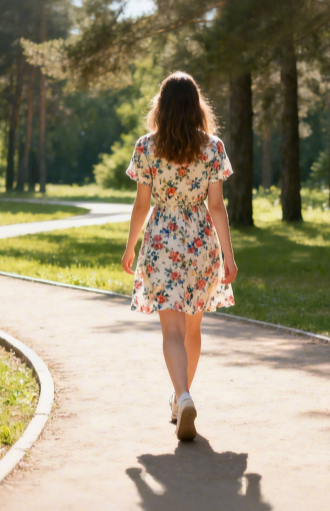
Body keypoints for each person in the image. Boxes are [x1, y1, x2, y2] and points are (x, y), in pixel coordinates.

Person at [119, 71, 239, 442]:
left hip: (161, 242)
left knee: (170, 330)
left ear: (162, 106)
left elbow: (142, 205)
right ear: (196, 106)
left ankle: (182, 396)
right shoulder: (213, 147)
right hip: (201, 243)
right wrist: (228, 256)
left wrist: (131, 245)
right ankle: (181, 397)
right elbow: (217, 206)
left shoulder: (146, 146)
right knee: (192, 329)